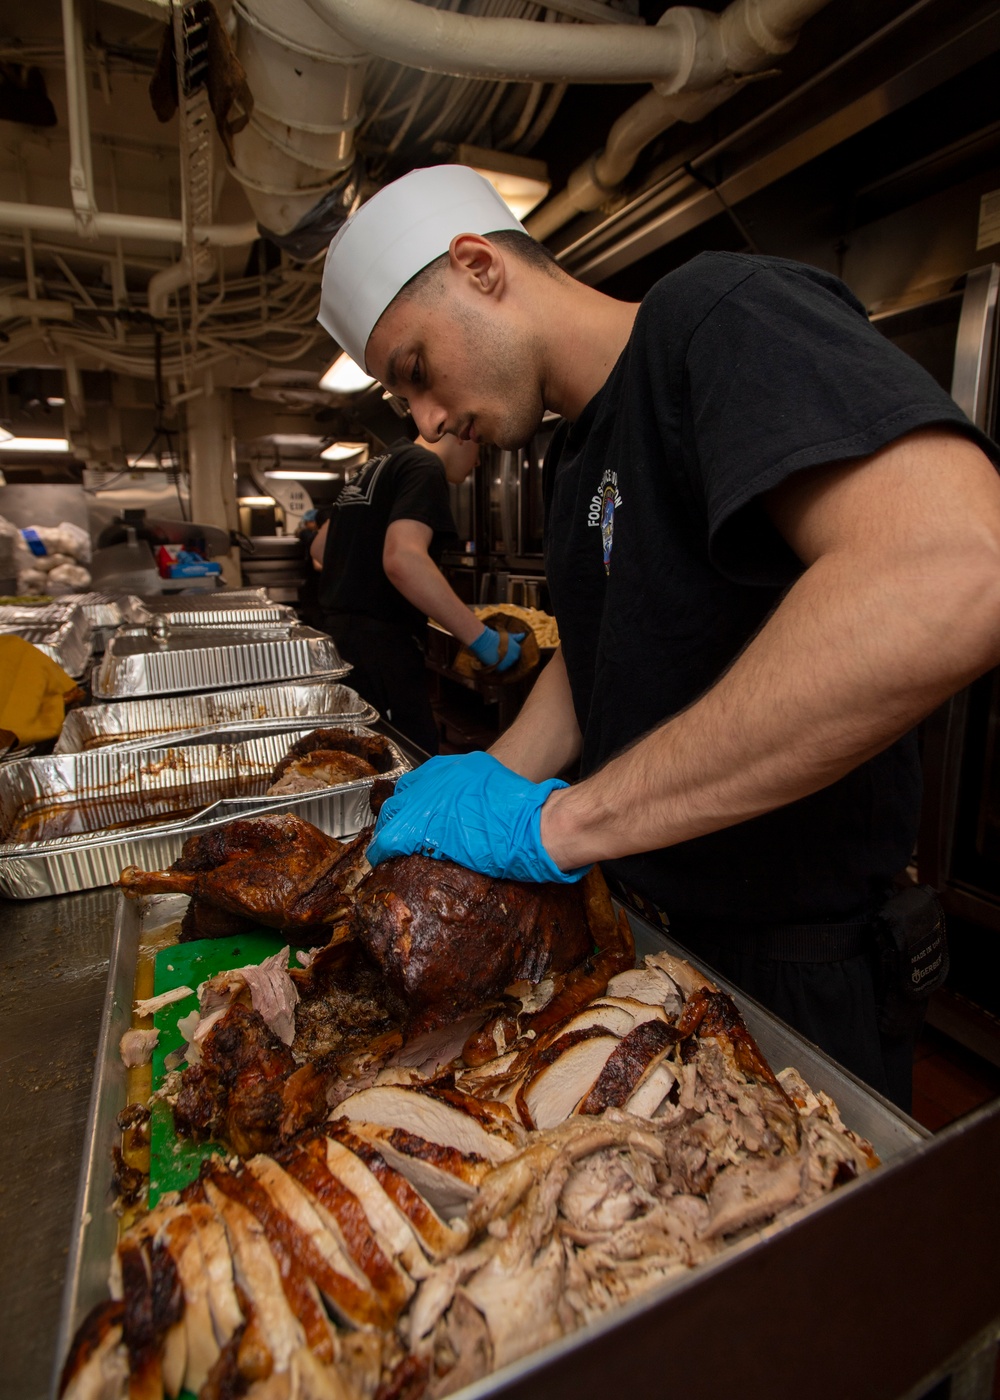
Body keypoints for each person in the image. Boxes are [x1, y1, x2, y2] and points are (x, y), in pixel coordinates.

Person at [317, 165, 1000, 1107]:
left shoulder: (714, 314)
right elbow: (607, 641)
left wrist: (567, 821)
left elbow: (958, 566)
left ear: (479, 267)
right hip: (654, 944)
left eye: (417, 372)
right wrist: (495, 781)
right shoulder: (574, 454)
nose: (428, 421)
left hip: (795, 964)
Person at [312, 430, 522, 753]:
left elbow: (319, 547)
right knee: (409, 761)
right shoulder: (425, 466)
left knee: (359, 759)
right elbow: (403, 560)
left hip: (340, 646)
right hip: (383, 653)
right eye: (480, 445)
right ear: (462, 434)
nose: (478, 461)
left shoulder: (376, 465)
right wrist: (483, 639)